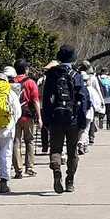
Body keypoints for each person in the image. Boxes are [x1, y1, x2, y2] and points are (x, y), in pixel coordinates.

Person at [42, 46, 91, 194]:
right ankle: (70, 181)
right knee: (72, 151)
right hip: (73, 119)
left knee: (56, 149)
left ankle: (56, 170)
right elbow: (84, 99)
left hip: (55, 118)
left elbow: (46, 99)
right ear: (73, 58)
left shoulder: (51, 74)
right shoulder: (76, 75)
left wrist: (46, 120)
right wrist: (82, 121)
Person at [12, 59, 43, 178]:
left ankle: (18, 169)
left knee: (16, 141)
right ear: (26, 69)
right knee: (29, 141)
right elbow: (35, 101)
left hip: (14, 117)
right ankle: (29, 167)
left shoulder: (11, 82)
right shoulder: (30, 82)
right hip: (27, 116)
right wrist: (39, 117)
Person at [81, 61, 105, 147]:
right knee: (91, 119)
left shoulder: (78, 75)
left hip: (82, 99)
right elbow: (98, 89)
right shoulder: (93, 78)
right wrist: (102, 100)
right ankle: (90, 137)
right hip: (92, 99)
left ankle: (83, 139)